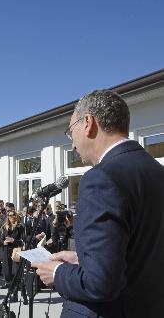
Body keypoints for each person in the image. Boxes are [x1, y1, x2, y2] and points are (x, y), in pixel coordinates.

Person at [32, 89, 164, 317]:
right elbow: (139, 254)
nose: (72, 145)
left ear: (88, 123)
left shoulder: (100, 178)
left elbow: (100, 283)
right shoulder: (157, 172)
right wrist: (82, 259)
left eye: (70, 132)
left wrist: (57, 273)